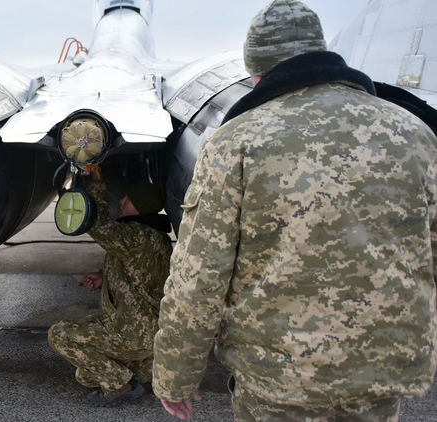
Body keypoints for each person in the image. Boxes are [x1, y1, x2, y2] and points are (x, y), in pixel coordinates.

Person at [152, 0, 437, 420]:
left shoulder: (236, 143)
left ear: (257, 70)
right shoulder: (414, 133)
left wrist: (175, 376)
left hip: (279, 382)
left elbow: (200, 275)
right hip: (380, 376)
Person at [48, 170, 173, 407]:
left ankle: (121, 385)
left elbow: (99, 226)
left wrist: (95, 183)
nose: (122, 201)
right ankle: (141, 370)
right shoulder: (155, 237)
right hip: (150, 334)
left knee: (59, 335)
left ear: (141, 207)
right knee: (85, 375)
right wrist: (104, 277)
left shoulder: (137, 236)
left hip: (131, 333)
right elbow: (139, 274)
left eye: (129, 199)